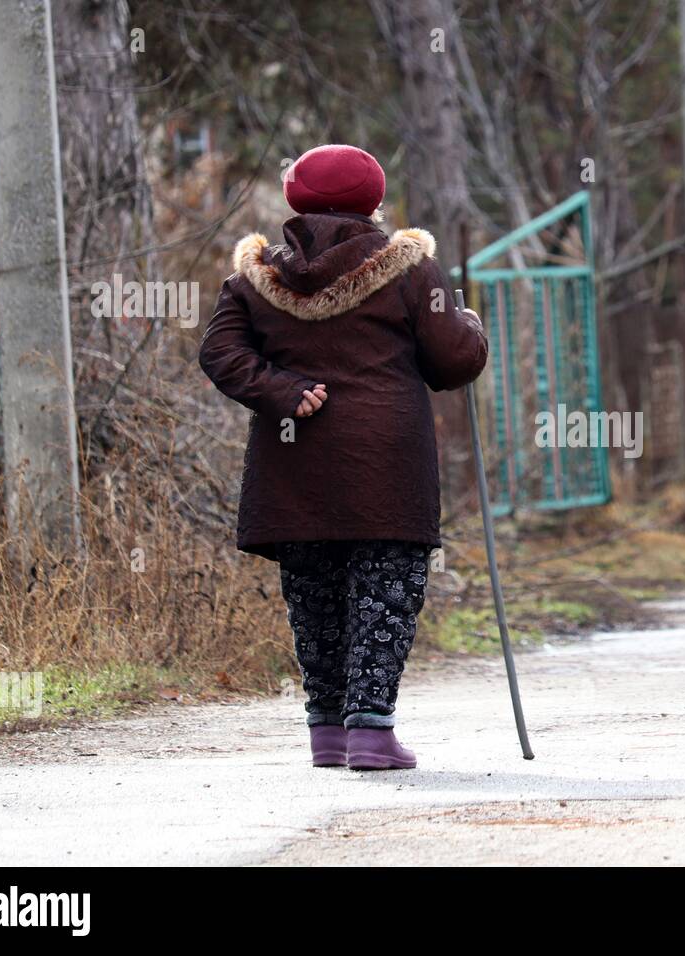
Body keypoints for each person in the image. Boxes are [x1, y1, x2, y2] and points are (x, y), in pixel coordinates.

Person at [199, 144, 487, 770]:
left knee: (315, 597)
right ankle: (371, 734)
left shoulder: (254, 278)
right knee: (383, 592)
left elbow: (220, 354)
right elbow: (452, 361)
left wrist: (284, 391)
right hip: (386, 464)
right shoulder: (409, 269)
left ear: (294, 201)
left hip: (293, 465)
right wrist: (468, 323)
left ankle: (327, 733)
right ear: (374, 203)